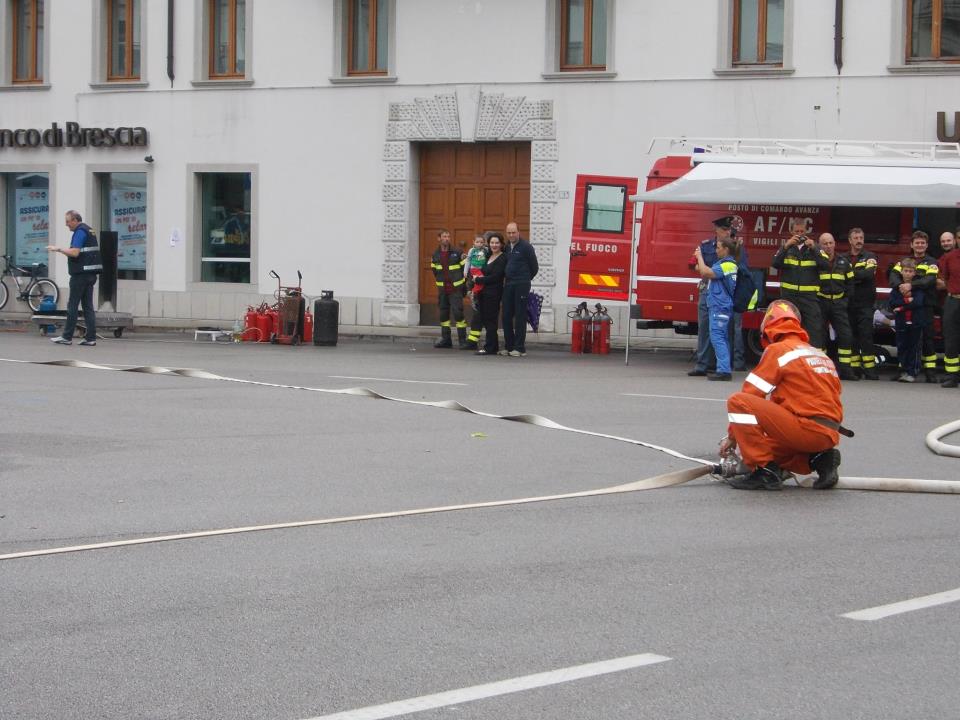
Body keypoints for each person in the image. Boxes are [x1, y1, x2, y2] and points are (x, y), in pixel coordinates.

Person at [721, 300, 846, 491]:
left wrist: (732, 437)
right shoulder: (818, 354)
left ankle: (764, 471)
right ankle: (820, 459)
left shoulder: (778, 350)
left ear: (768, 329)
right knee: (765, 448)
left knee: (738, 402)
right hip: (828, 434)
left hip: (805, 429)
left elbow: (750, 394)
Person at [889, 231, 939, 382]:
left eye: (922, 243)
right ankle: (903, 369)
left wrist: (911, 285)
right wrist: (901, 286)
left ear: (927, 245)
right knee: (904, 341)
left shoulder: (932, 262)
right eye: (917, 242)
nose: (920, 245)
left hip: (925, 305)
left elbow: (930, 280)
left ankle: (930, 372)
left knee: (927, 338)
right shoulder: (904, 261)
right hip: (907, 304)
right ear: (911, 244)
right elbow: (893, 276)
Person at [47, 210, 102, 346]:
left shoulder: (80, 231)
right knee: (88, 307)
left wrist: (58, 249)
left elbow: (75, 252)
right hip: (90, 274)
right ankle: (90, 338)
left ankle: (67, 337)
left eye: (68, 221)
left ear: (75, 220)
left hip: (80, 275)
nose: (66, 224)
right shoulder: (89, 230)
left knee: (72, 305)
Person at [772, 217, 828, 348]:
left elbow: (825, 265)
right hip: (789, 297)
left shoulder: (814, 248)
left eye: (802, 231)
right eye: (797, 231)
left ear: (806, 231)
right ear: (792, 232)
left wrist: (814, 248)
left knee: (814, 331)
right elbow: (775, 263)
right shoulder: (786, 248)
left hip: (809, 298)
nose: (799, 234)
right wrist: (786, 246)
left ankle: (812, 357)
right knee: (788, 330)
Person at [689, 216, 735, 376]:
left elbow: (740, 267)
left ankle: (722, 366)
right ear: (716, 230)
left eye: (729, 229)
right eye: (724, 229)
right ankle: (702, 365)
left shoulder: (734, 247)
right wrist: (703, 269)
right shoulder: (706, 245)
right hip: (706, 290)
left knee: (722, 332)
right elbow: (691, 264)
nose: (727, 232)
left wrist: (707, 270)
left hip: (723, 294)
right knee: (704, 329)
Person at [816, 233, 858, 380]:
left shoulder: (844, 262)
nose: (828, 246)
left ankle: (845, 370)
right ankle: (821, 371)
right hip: (821, 302)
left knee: (845, 335)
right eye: (825, 243)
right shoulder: (816, 261)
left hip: (839, 303)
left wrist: (845, 301)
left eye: (830, 243)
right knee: (819, 336)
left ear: (834, 243)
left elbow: (850, 283)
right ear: (820, 245)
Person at [845, 227, 880, 380]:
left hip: (865, 303)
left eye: (861, 238)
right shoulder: (843, 258)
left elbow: (868, 274)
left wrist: (849, 275)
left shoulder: (870, 256)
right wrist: (857, 276)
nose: (859, 241)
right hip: (849, 303)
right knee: (851, 336)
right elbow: (840, 275)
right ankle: (855, 368)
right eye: (856, 238)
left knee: (866, 336)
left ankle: (870, 370)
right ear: (850, 240)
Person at [500, 221, 538, 357]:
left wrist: (525, 279)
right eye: (509, 233)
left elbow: (534, 267)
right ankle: (509, 346)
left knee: (520, 316)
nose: (511, 235)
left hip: (521, 284)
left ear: (518, 232)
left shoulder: (526, 247)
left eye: (513, 232)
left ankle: (520, 348)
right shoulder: (506, 247)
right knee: (506, 315)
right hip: (508, 284)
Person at [889, 258, 927, 383]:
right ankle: (904, 370)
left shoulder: (918, 288)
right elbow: (892, 303)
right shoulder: (897, 288)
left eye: (911, 271)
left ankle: (912, 373)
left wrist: (901, 308)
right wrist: (906, 301)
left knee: (914, 348)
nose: (908, 273)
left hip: (916, 322)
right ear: (901, 272)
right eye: (906, 271)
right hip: (901, 322)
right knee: (902, 347)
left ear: (914, 273)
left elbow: (918, 302)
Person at [431, 230, 467, 348]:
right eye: (444, 236)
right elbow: (434, 270)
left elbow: (465, 269)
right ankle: (446, 340)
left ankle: (462, 340)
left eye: (448, 236)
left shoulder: (457, 252)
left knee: (458, 314)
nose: (447, 238)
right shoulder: (435, 254)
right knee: (443, 315)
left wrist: (463, 285)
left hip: (455, 289)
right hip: (443, 290)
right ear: (439, 238)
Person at [472, 232, 506, 355]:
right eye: (492, 242)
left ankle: (490, 347)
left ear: (501, 244)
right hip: (483, 293)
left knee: (491, 320)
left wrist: (478, 280)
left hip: (493, 294)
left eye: (497, 243)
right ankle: (493, 346)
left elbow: (496, 277)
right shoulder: (488, 256)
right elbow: (482, 270)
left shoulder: (502, 258)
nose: (494, 245)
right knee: (486, 320)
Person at [938, 233, 960, 388]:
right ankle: (952, 376)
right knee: (951, 339)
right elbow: (944, 278)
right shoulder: (949, 257)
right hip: (953, 301)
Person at [462, 234, 489, 351]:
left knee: (485, 317)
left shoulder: (489, 254)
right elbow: (469, 275)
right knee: (477, 315)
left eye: (482, 242)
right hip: (478, 291)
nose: (480, 244)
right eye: (478, 242)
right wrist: (470, 290)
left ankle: (490, 343)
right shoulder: (472, 253)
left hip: (489, 292)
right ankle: (473, 341)